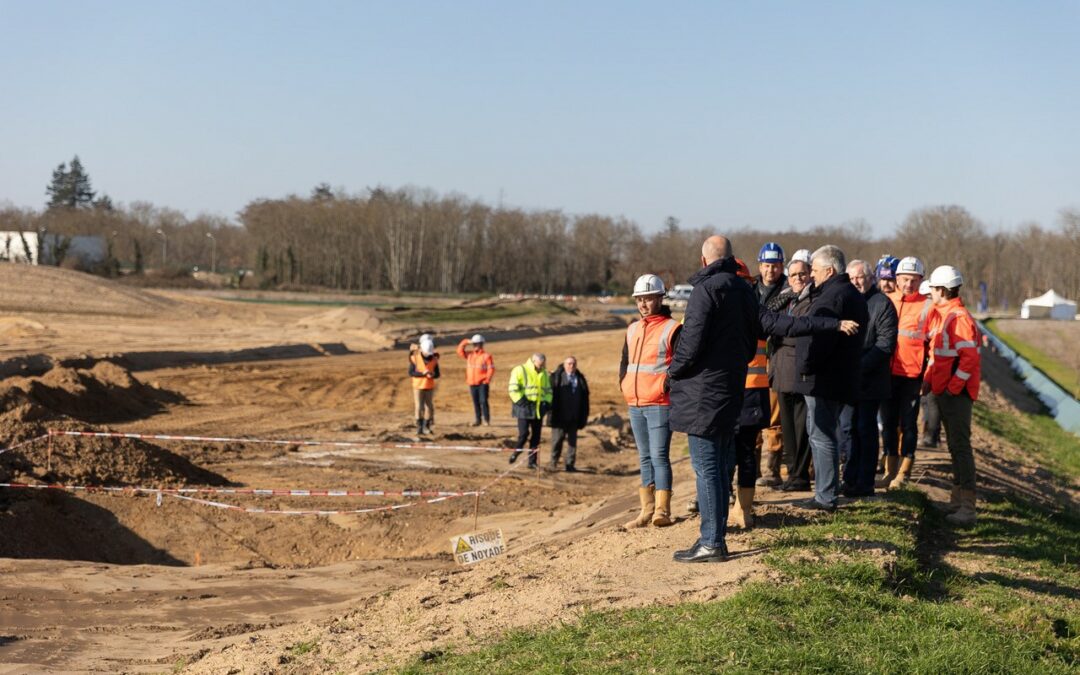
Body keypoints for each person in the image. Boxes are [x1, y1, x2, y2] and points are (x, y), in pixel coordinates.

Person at [727, 258, 858, 529]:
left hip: (747, 390)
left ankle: (742, 509)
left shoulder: (750, 311)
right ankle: (725, 504)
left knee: (743, 451)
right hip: (729, 392)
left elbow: (790, 325)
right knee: (727, 451)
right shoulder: (729, 309)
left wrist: (831, 325)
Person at [668, 235, 757, 562]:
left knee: (706, 469)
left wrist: (672, 372)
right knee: (719, 466)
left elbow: (690, 344)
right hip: (730, 389)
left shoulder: (705, 291)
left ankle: (711, 541)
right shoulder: (745, 291)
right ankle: (714, 537)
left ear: (705, 261)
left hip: (703, 394)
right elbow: (750, 345)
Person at [793, 245, 869, 512]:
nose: (811, 275)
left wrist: (805, 366)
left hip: (825, 379)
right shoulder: (852, 295)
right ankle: (828, 490)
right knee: (826, 433)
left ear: (829, 270)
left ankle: (825, 496)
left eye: (813, 270)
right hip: (841, 377)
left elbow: (819, 341)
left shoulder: (832, 298)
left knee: (821, 434)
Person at [620, 274, 681, 528]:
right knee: (644, 457)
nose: (644, 304)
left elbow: (680, 365)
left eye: (648, 299)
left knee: (659, 456)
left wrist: (665, 385)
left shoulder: (672, 328)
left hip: (659, 402)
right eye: (640, 299)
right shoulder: (632, 328)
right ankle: (646, 510)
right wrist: (623, 383)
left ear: (659, 298)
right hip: (635, 402)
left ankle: (662, 510)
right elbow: (625, 362)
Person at [924, 265, 981, 526]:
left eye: (933, 289)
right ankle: (957, 501)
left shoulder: (957, 318)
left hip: (955, 395)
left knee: (960, 447)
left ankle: (967, 508)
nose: (930, 293)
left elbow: (968, 360)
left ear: (941, 290)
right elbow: (938, 359)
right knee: (955, 447)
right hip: (945, 391)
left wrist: (952, 389)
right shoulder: (943, 315)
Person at [842, 259, 898, 498]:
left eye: (860, 277)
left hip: (871, 381)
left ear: (870, 278)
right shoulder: (845, 301)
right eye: (852, 278)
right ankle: (849, 478)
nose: (856, 282)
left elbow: (885, 344)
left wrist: (858, 367)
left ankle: (865, 482)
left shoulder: (882, 304)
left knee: (865, 429)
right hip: (847, 381)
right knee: (847, 430)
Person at [879, 256, 935, 489]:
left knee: (908, 424)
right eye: (904, 279)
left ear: (921, 280)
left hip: (913, 376)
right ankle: (889, 470)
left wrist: (928, 377)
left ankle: (904, 471)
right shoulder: (886, 301)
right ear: (897, 279)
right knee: (888, 422)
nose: (908, 284)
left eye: (913, 280)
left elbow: (933, 346)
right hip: (887, 374)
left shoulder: (928, 307)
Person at [769, 258, 815, 492]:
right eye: (794, 274)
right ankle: (792, 473)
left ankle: (800, 475)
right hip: (780, 372)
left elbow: (799, 330)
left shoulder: (811, 300)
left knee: (801, 427)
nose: (798, 278)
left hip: (799, 371)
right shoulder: (784, 299)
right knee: (787, 427)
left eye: (802, 274)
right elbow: (766, 320)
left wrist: (779, 328)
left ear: (810, 275)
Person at [754, 243, 788, 489]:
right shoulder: (750, 290)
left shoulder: (788, 291)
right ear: (760, 266)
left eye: (775, 266)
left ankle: (772, 469)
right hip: (752, 362)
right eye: (767, 265)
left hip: (777, 359)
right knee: (751, 415)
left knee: (774, 416)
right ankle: (752, 468)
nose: (770, 271)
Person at [508, 353, 553, 469]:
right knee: (523, 434)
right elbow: (513, 388)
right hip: (523, 409)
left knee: (536, 437)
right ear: (533, 361)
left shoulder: (544, 373)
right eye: (539, 365)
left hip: (538, 410)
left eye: (543, 365)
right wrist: (521, 401)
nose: (541, 367)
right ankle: (517, 452)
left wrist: (547, 403)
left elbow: (548, 391)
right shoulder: (520, 370)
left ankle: (532, 462)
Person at [548, 355, 589, 472]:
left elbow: (584, 399)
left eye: (573, 364)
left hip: (574, 417)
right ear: (564, 365)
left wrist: (583, 416)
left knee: (572, 443)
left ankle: (570, 465)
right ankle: (553, 463)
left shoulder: (580, 379)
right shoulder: (557, 378)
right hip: (559, 417)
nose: (571, 366)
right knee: (557, 441)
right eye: (569, 364)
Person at [456, 334, 495, 426]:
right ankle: (478, 420)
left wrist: (487, 380)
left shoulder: (486, 356)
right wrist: (466, 341)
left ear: (481, 344)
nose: (476, 346)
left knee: (483, 401)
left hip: (482, 383)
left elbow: (491, 368)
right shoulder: (470, 355)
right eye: (475, 344)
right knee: (476, 402)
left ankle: (486, 420)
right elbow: (459, 351)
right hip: (472, 383)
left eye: (478, 344)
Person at [408, 334, 440, 435]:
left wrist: (432, 375)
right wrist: (423, 374)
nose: (428, 355)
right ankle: (419, 427)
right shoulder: (415, 358)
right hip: (418, 386)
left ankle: (427, 426)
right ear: (421, 350)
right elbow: (411, 373)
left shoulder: (434, 359)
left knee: (429, 407)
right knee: (419, 407)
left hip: (429, 386)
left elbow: (438, 374)